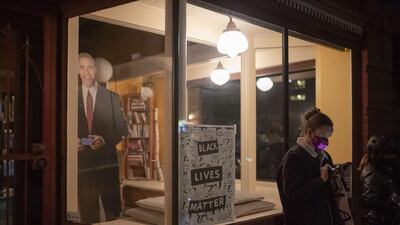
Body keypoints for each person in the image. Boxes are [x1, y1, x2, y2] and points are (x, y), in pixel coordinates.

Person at [77, 53, 128, 223]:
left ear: (96, 69)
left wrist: (104, 140)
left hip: (107, 165)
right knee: (88, 214)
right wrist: (78, 142)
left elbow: (123, 130)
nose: (86, 71)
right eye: (81, 67)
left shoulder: (112, 97)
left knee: (113, 213)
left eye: (90, 66)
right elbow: (71, 136)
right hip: (84, 167)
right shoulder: (70, 98)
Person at [276, 107, 342, 225]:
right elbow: (293, 196)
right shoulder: (293, 157)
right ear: (309, 132)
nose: (325, 141)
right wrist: (321, 180)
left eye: (328, 136)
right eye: (322, 136)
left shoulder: (325, 156)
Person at [358, 135, 400, 225]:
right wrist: (391, 203)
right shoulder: (372, 173)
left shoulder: (381, 170)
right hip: (376, 220)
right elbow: (369, 200)